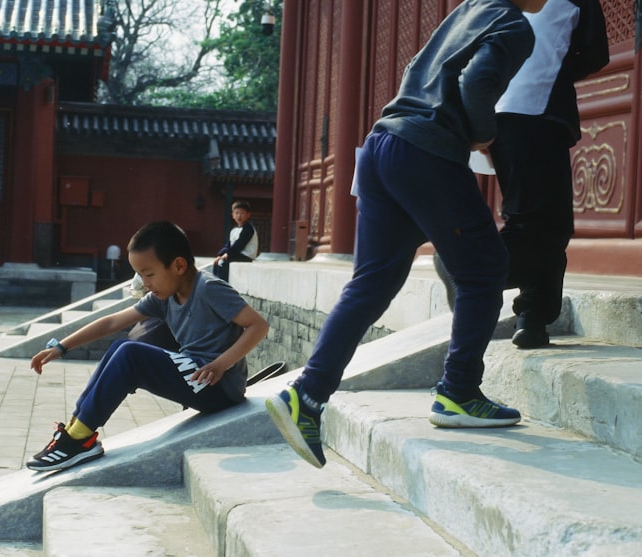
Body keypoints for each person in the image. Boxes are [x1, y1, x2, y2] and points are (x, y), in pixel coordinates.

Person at [266, 0, 546, 469]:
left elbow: (417, 66)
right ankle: (458, 392)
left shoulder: (468, 10)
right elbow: (476, 81)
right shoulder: (515, 24)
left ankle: (306, 396)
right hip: (427, 149)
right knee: (486, 269)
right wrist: (483, 134)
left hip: (382, 144)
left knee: (371, 283)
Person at [27, 220, 269, 471]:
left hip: (219, 386)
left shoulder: (209, 289)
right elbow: (112, 322)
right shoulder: (165, 296)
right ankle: (76, 431)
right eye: (140, 275)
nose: (144, 283)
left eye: (149, 274)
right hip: (196, 376)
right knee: (120, 347)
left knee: (130, 354)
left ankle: (79, 439)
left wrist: (220, 365)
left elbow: (258, 326)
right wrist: (61, 347)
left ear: (178, 265)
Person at [489, 0, 609, 348]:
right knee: (548, 225)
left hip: (499, 112)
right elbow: (594, 53)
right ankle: (468, 266)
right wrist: (555, 65)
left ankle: (532, 319)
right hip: (538, 111)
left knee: (530, 220)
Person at [213, 200, 259, 282]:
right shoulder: (234, 230)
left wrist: (228, 254)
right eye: (237, 213)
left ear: (248, 215)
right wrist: (220, 254)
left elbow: (239, 244)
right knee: (217, 262)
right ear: (233, 215)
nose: (239, 216)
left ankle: (223, 285)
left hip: (245, 256)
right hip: (236, 254)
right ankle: (215, 284)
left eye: (242, 213)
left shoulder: (248, 228)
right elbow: (228, 245)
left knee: (223, 263)